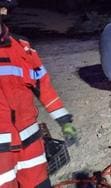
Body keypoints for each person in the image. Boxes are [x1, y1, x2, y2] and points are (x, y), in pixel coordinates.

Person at [0, 0, 78, 187]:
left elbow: (44, 88)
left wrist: (65, 122)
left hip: (30, 142)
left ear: (3, 10)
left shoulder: (23, 48)